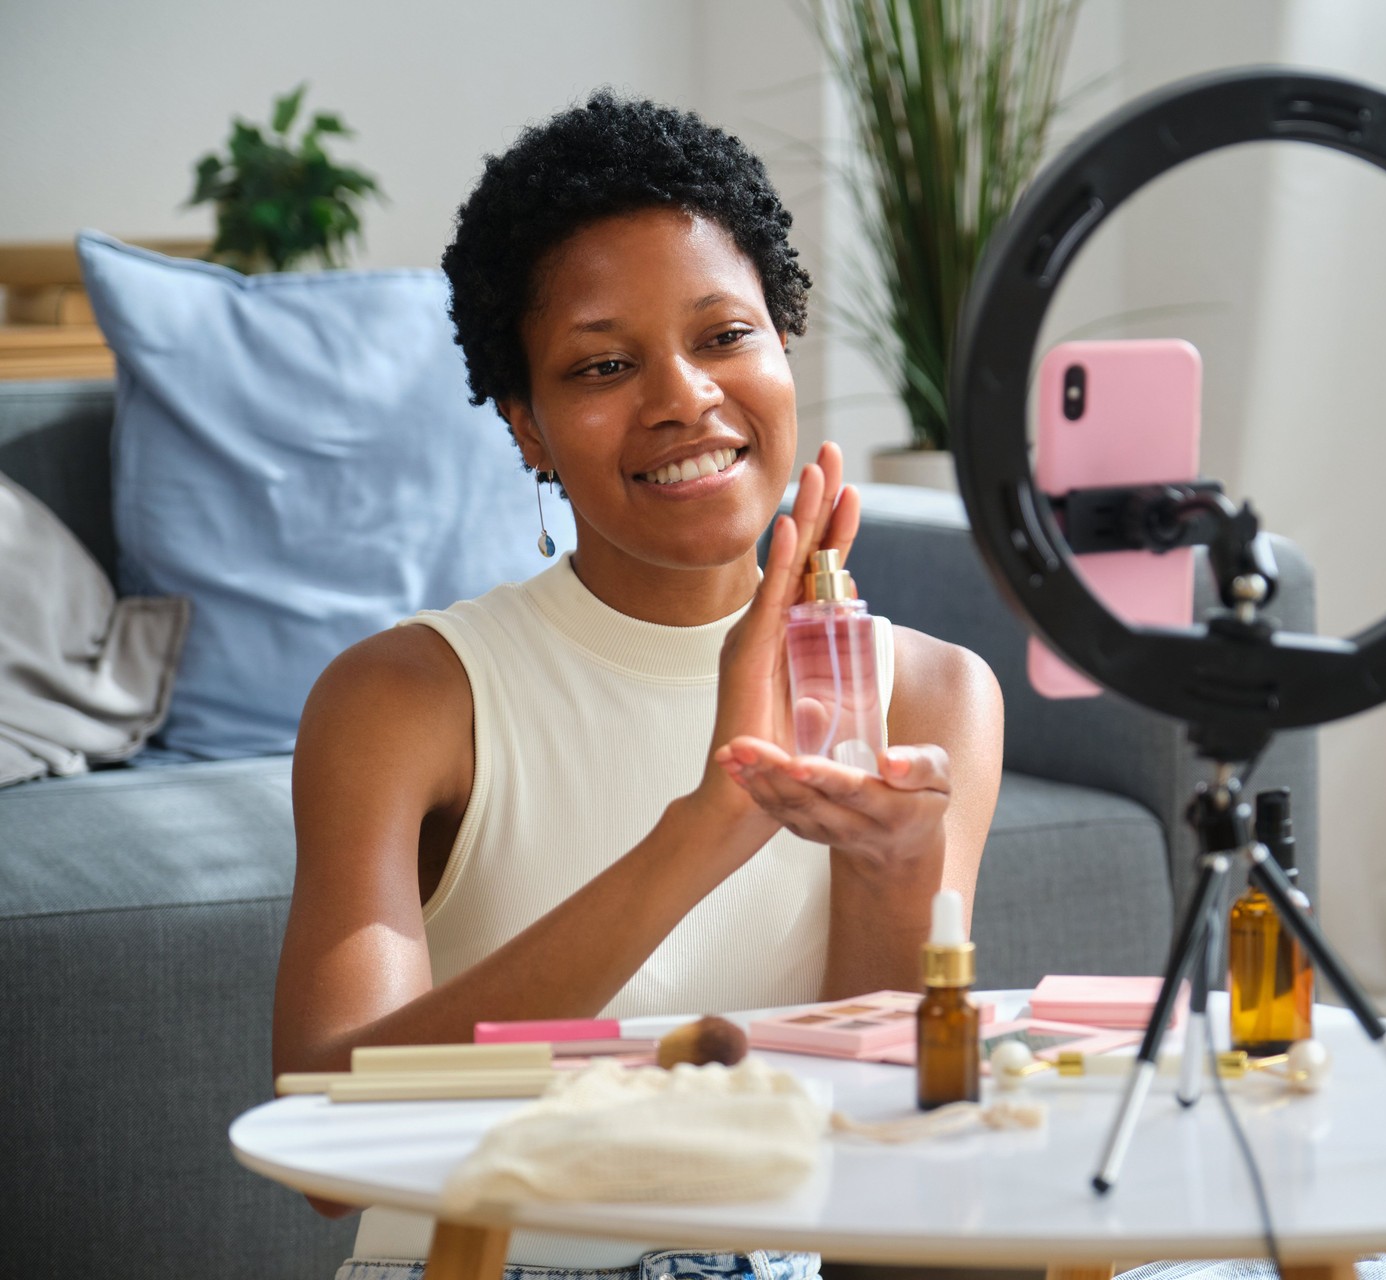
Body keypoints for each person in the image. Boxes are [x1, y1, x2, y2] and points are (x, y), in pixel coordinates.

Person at [272, 92, 1004, 1279]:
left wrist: (894, 866)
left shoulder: (932, 693)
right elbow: (317, 1136)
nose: (683, 397)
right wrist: (707, 824)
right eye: (605, 363)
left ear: (782, 348)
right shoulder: (407, 695)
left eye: (725, 336)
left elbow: (875, 1133)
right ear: (528, 427)